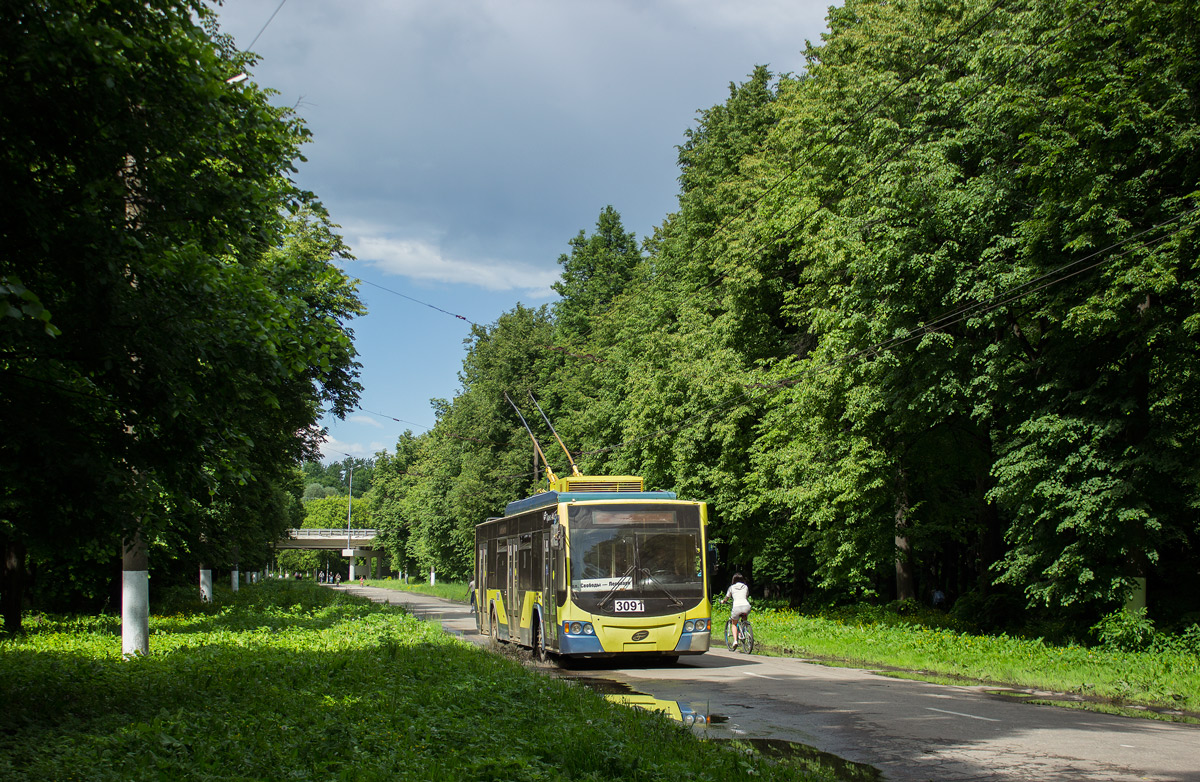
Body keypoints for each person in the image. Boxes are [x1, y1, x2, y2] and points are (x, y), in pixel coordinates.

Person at [719, 573, 752, 648]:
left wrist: (722, 602)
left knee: (734, 624)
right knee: (744, 616)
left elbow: (726, 598)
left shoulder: (731, 587)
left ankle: (735, 641)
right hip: (746, 606)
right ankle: (744, 630)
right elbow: (746, 596)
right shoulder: (745, 587)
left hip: (736, 606)